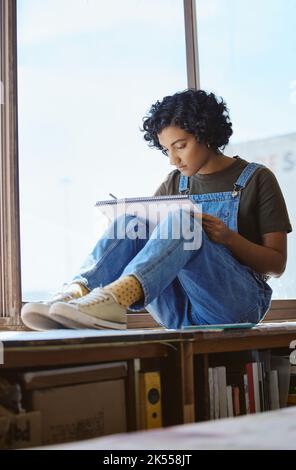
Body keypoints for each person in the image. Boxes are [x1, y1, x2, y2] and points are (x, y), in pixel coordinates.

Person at [21, 89, 292, 331]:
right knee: (132, 221)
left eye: (181, 146)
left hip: (234, 305)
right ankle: (76, 294)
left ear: (205, 134)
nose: (174, 160)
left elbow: (277, 265)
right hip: (177, 308)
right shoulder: (174, 183)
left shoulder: (257, 179)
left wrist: (228, 238)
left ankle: (114, 301)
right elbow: (148, 246)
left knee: (182, 222)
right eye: (166, 151)